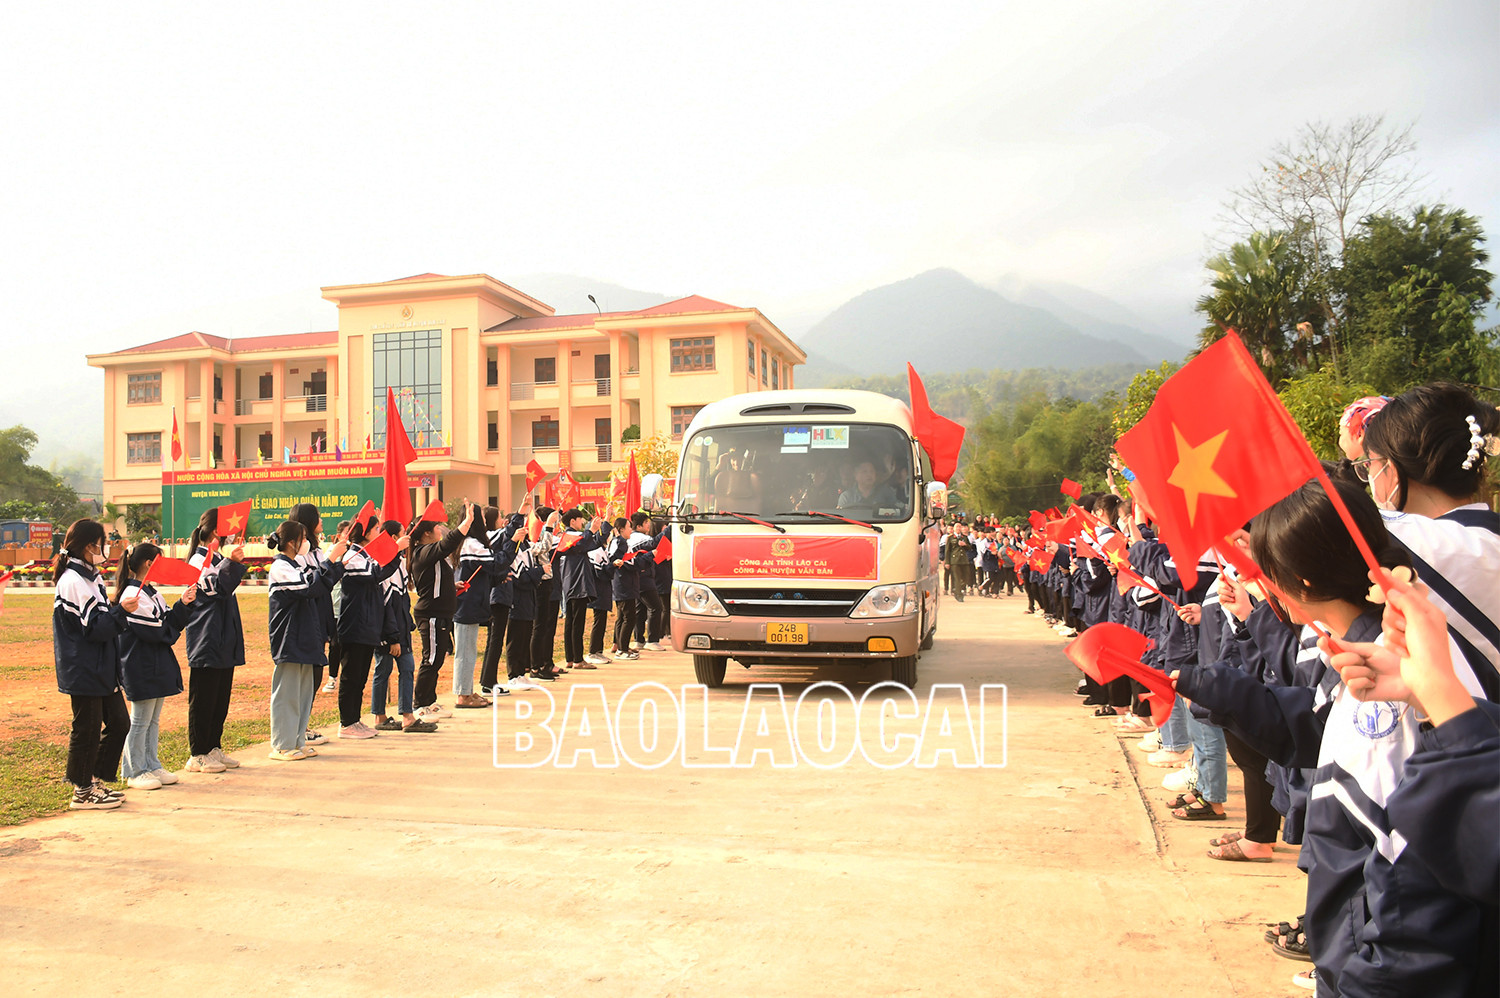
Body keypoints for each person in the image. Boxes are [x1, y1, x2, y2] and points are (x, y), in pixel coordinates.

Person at [1173, 478, 1493, 997]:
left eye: (1264, 569)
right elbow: (1315, 724)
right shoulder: (1379, 655)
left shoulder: (1389, 697)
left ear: (1297, 579)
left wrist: (1357, 979)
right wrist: (1207, 685)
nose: (1259, 583)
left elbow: (1407, 884)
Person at [53, 519, 132, 810]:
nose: (104, 549)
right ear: (88, 546)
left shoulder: (91, 577)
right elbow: (95, 627)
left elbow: (102, 616)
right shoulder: (72, 581)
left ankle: (94, 779)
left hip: (102, 665)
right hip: (84, 667)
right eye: (100, 544)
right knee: (86, 728)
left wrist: (118, 608)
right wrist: (120, 612)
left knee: (120, 723)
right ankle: (82, 790)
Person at [267, 519, 349, 759]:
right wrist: (330, 559)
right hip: (289, 638)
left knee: (303, 693)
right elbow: (309, 587)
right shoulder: (280, 567)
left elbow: (320, 583)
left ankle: (297, 739)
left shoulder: (295, 565)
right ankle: (282, 744)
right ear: (291, 543)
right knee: (287, 693)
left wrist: (336, 563)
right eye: (303, 539)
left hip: (304, 636)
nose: (306, 543)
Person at [116, 543, 196, 788]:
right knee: (140, 719)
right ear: (149, 564)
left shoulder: (151, 593)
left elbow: (167, 622)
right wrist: (170, 627)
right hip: (139, 664)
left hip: (155, 663)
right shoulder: (133, 595)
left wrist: (183, 603)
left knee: (152, 719)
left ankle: (151, 764)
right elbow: (159, 632)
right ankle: (133, 770)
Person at [184, 508, 249, 774]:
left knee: (220, 696)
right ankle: (198, 752)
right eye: (225, 530)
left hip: (223, 637)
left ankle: (213, 746)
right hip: (206, 637)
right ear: (213, 533)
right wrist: (230, 564)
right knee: (204, 697)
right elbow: (212, 588)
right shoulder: (199, 561)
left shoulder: (217, 558)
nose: (231, 534)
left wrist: (229, 562)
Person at [336, 512, 409, 739]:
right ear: (366, 533)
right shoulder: (352, 556)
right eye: (377, 529)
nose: (379, 534)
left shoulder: (366, 555)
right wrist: (395, 551)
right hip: (354, 624)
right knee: (351, 676)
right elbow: (377, 573)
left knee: (360, 678)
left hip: (368, 625)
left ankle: (355, 720)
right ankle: (346, 723)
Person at [409, 502, 474, 719]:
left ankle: (430, 700)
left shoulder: (431, 553)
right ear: (426, 533)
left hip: (441, 611)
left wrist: (452, 587)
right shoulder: (424, 551)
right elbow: (447, 544)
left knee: (437, 658)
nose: (440, 529)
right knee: (431, 658)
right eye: (437, 527)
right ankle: (419, 704)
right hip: (431, 613)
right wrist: (465, 525)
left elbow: (435, 581)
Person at [370, 520, 437, 733]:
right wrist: (392, 637)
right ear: (393, 539)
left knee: (406, 669)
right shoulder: (383, 563)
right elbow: (387, 604)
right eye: (403, 534)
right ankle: (380, 716)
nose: (408, 538)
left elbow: (402, 601)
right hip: (388, 632)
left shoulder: (399, 562)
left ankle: (406, 715)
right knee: (384, 669)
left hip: (400, 628)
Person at [290, 503, 336, 746]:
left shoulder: (317, 551)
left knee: (316, 671)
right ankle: (299, 727)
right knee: (307, 672)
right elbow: (313, 583)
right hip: (309, 615)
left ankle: (303, 723)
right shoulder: (300, 554)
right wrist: (332, 560)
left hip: (322, 613)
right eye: (317, 517)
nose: (321, 520)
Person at [457, 506, 500, 704]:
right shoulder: (470, 544)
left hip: (473, 604)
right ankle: (462, 694)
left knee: (470, 650)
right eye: (481, 517)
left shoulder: (470, 543)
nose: (484, 521)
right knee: (464, 651)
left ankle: (467, 689)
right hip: (466, 604)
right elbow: (494, 564)